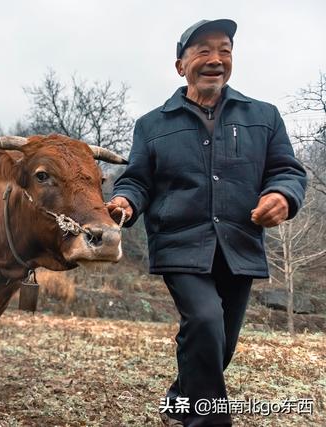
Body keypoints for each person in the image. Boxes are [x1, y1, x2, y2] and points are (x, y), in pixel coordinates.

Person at [107, 19, 306, 426]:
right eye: (203, 51)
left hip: (239, 244)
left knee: (219, 344)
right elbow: (137, 179)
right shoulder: (152, 125)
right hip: (180, 243)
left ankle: (180, 401)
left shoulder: (264, 117)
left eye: (225, 50)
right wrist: (125, 200)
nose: (216, 59)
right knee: (204, 320)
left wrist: (282, 195)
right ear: (181, 66)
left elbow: (287, 170)